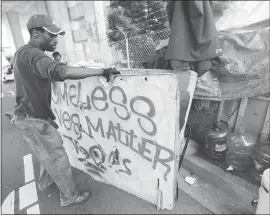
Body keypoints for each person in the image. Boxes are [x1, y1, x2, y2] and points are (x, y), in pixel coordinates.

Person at [11, 14, 120, 207]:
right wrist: (101, 71)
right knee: (57, 157)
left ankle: (46, 182)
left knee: (44, 152)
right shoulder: (35, 54)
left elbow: (37, 78)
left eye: (57, 35)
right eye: (51, 35)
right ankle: (69, 197)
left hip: (24, 117)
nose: (56, 40)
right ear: (36, 33)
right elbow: (61, 72)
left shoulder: (21, 53)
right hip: (33, 119)